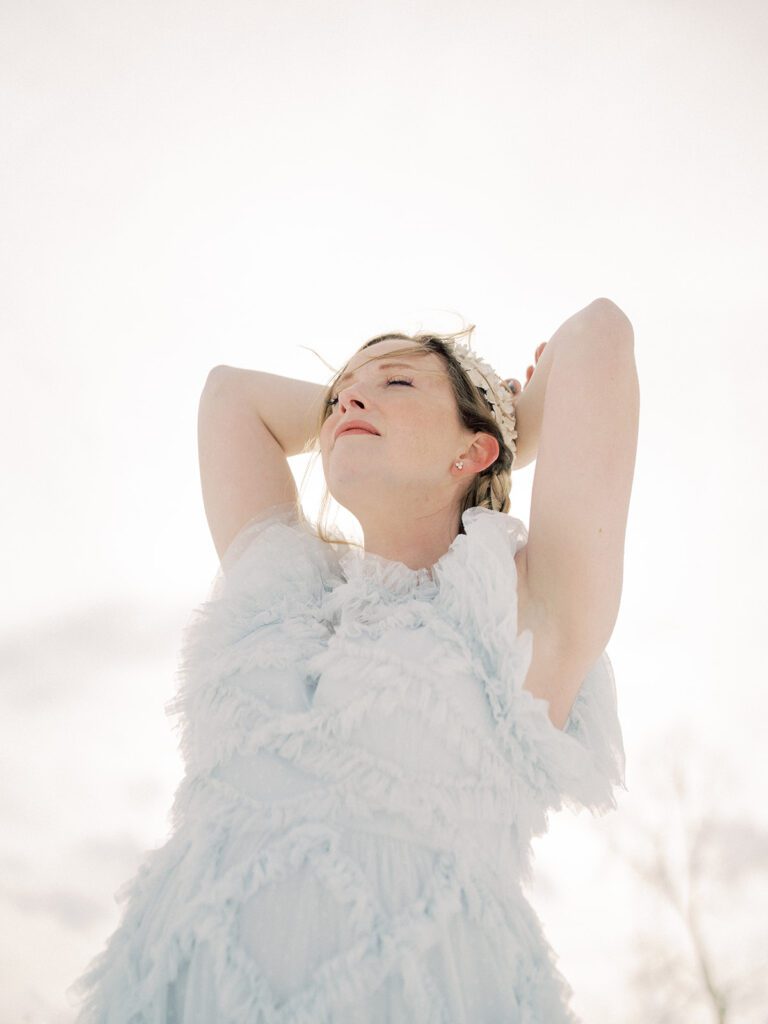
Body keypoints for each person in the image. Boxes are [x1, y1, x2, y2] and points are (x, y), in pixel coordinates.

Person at [67, 299, 639, 1022]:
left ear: (475, 451)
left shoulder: (520, 614)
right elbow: (229, 395)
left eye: (396, 383)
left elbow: (598, 335)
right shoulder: (278, 597)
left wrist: (502, 418)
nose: (350, 398)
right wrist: (374, 412)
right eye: (340, 392)